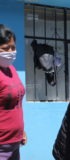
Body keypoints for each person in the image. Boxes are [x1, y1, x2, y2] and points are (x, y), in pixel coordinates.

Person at [0, 24, 27, 159]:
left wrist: (21, 130)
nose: (10, 51)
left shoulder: (12, 69)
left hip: (14, 143)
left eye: (13, 47)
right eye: (5, 48)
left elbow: (17, 103)